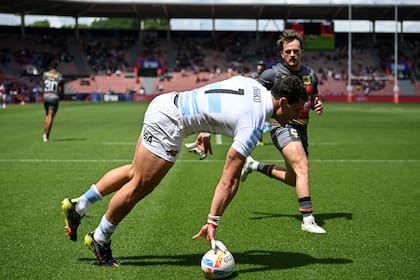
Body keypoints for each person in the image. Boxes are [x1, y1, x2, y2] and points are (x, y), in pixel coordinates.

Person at [61, 74, 307, 266]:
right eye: (296, 111)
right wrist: (212, 222)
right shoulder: (254, 124)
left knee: (135, 171)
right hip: (170, 123)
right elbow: (229, 180)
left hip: (166, 103)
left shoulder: (252, 85)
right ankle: (100, 239)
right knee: (141, 185)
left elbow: (218, 98)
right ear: (283, 101)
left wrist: (206, 128)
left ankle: (79, 205)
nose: (295, 116)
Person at [241, 29, 326, 234]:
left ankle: (253, 165)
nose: (292, 55)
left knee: (294, 178)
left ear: (302, 52)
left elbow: (314, 96)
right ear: (282, 54)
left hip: (302, 129)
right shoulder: (272, 74)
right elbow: (253, 95)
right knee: (302, 167)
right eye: (288, 51)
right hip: (282, 125)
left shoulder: (310, 74)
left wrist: (317, 104)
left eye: (295, 51)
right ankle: (308, 219)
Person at [42, 63, 63, 142]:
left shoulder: (45, 74)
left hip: (46, 96)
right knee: (51, 116)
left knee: (47, 115)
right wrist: (61, 96)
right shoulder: (59, 76)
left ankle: (45, 133)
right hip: (54, 96)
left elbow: (44, 83)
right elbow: (61, 88)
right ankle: (46, 135)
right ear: (56, 67)